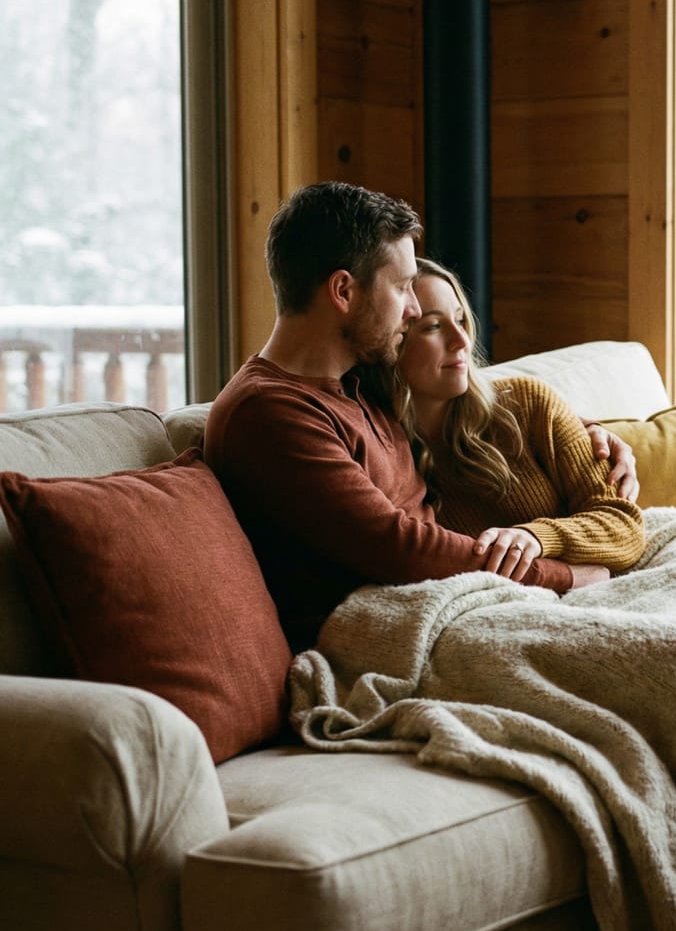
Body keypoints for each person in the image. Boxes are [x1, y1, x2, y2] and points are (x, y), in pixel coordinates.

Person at [204, 181, 637, 651]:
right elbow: (399, 547)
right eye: (404, 287)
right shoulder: (271, 413)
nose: (411, 310)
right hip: (404, 625)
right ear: (343, 291)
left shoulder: (357, 383)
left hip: (461, 600)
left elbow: (452, 410)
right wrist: (567, 577)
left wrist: (592, 434)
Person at [365, 257, 646, 586]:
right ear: (391, 345)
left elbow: (623, 524)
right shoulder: (379, 452)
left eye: (460, 320)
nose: (462, 342)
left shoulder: (528, 404)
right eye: (433, 327)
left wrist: (535, 538)